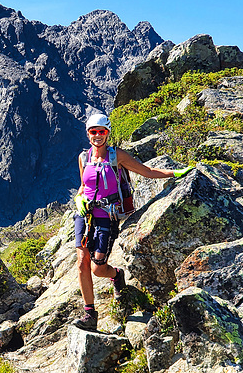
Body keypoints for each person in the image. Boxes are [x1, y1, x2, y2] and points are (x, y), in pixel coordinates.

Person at [71, 113, 193, 331]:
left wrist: (175, 172)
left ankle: (116, 275)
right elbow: (83, 186)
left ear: (108, 133)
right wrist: (79, 198)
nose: (98, 136)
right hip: (85, 215)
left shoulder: (117, 156)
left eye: (102, 131)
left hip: (107, 217)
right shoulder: (84, 158)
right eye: (93, 132)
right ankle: (90, 314)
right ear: (87, 133)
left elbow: (146, 171)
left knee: (98, 269)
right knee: (82, 261)